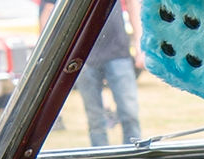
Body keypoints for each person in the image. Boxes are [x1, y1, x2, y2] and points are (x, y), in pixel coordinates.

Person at [50, 0, 142, 148]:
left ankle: (133, 158)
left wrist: (139, 42)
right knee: (95, 118)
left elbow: (132, 3)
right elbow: (51, 10)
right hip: (83, 56)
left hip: (118, 52)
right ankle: (101, 157)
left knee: (129, 112)